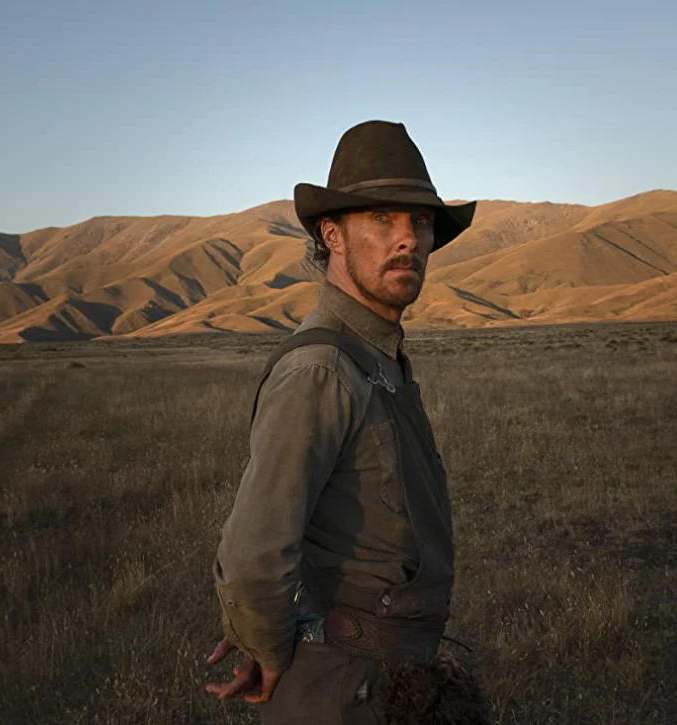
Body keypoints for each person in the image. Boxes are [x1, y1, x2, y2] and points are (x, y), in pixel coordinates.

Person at [205, 120, 484, 724]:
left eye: (422, 222)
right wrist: (272, 647)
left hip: (386, 683)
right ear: (331, 234)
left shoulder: (377, 354)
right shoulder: (321, 370)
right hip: (343, 696)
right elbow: (254, 556)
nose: (407, 239)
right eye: (382, 220)